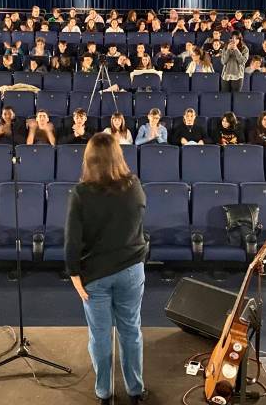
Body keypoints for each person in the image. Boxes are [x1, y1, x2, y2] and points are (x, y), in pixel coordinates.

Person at [65, 133, 147, 405]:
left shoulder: (81, 193)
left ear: (88, 159)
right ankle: (135, 391)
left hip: (96, 276)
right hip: (131, 270)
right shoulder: (133, 185)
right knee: (131, 331)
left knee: (99, 336)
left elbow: (72, 241)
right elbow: (138, 223)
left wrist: (74, 275)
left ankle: (104, 393)